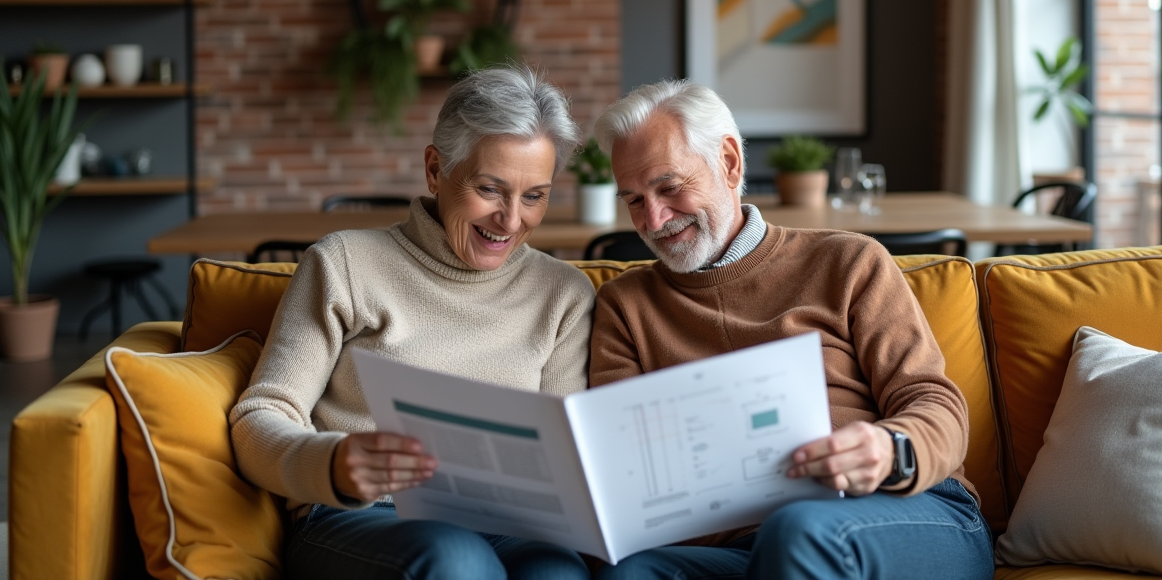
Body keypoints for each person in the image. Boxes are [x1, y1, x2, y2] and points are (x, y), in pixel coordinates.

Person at [588, 79, 993, 580]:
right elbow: (627, 476)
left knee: (798, 531)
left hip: (908, 509)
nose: (653, 218)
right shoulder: (625, 307)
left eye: (670, 187)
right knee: (630, 574)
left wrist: (890, 450)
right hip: (744, 546)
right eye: (633, 200)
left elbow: (933, 399)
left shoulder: (846, 261)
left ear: (730, 163)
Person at [230, 66, 597, 580]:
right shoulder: (344, 264)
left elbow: (562, 452)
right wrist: (332, 464)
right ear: (434, 169)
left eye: (534, 196)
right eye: (490, 190)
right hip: (360, 515)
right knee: (456, 561)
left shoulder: (564, 294)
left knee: (558, 573)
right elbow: (260, 416)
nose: (512, 221)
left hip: (506, 522)